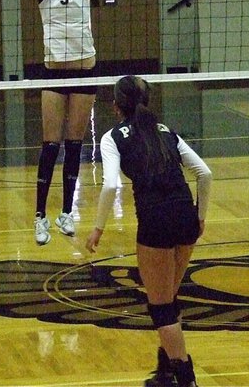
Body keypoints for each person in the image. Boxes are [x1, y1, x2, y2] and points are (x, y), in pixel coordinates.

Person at [85, 76, 211, 387]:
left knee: (161, 306)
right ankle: (166, 372)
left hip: (156, 220)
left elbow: (111, 185)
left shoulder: (113, 137)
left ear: (115, 107)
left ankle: (186, 379)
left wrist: (98, 228)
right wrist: (201, 217)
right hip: (186, 215)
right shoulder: (166, 132)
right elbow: (204, 173)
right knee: (169, 296)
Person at [11, 0, 97, 245]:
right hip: (54, 72)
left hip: (86, 71)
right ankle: (39, 217)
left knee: (75, 145)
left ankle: (65, 214)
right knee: (50, 144)